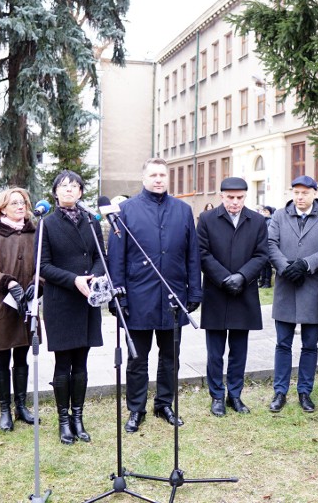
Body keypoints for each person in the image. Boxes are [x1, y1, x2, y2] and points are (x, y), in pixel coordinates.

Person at [108, 158, 202, 433]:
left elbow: (192, 254)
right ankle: (136, 409)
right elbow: (116, 258)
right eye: (153, 174)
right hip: (138, 298)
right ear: (144, 178)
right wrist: (118, 296)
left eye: (163, 174)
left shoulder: (183, 211)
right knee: (138, 358)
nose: (159, 179)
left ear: (168, 178)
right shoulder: (125, 211)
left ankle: (164, 404)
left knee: (171, 356)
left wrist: (194, 291)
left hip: (173, 297)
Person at [39, 171, 105, 445]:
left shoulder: (91, 221)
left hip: (88, 300)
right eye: (63, 186)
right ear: (55, 192)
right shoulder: (47, 224)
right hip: (61, 301)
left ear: (81, 192)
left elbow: (101, 256)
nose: (69, 190)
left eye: (74, 186)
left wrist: (96, 277)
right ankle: (64, 421)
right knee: (63, 362)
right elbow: (42, 266)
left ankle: (78, 417)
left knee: (82, 361)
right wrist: (74, 280)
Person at [197, 177, 268, 416]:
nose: (235, 202)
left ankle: (235, 395)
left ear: (245, 197)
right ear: (222, 196)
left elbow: (261, 254)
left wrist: (242, 276)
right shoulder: (207, 219)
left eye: (239, 198)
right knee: (215, 351)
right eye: (230, 198)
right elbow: (202, 253)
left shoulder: (257, 220)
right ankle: (217, 395)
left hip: (243, 293)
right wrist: (223, 277)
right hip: (216, 293)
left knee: (239, 350)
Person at [267, 175, 318, 413]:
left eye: (305, 192)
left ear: (315, 194)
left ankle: (305, 391)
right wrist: (286, 268)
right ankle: (280, 391)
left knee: (310, 344)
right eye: (296, 192)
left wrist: (306, 265)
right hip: (286, 287)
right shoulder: (279, 215)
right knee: (282, 343)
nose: (300, 197)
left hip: (312, 287)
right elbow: (270, 244)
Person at [0, 187, 41, 432]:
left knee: (22, 357)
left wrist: (39, 285)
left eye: (23, 202)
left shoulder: (35, 232)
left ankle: (21, 406)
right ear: (3, 208)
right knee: (3, 357)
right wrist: (8, 282)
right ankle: (4, 409)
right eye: (14, 203)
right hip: (2, 308)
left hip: (27, 307)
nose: (20, 206)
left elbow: (43, 264)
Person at [257, 205, 275, 287]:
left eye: (266, 211)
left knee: (267, 265)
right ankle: (262, 280)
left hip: (267, 244)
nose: (264, 213)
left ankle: (267, 282)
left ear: (270, 213)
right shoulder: (261, 221)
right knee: (262, 264)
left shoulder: (271, 221)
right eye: (263, 211)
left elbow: (269, 233)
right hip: (261, 244)